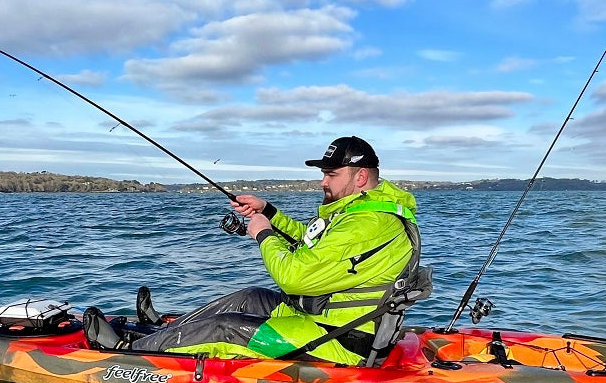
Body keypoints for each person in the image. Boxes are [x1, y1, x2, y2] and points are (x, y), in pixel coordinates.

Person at [84, 136, 424, 365]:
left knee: (225, 327)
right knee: (248, 297)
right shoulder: (365, 213)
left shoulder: (367, 224)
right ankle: (161, 334)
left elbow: (294, 277)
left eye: (331, 174)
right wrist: (269, 213)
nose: (323, 181)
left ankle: (124, 352)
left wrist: (263, 234)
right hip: (322, 318)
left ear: (360, 177)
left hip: (338, 341)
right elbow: (313, 239)